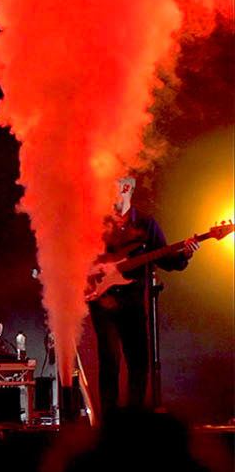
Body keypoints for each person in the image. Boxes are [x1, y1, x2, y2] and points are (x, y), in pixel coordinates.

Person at [88, 176, 198, 414]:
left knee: (138, 363)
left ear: (126, 188)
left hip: (133, 303)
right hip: (102, 301)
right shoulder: (97, 223)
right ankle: (108, 425)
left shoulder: (146, 224)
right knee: (109, 362)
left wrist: (185, 254)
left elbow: (168, 261)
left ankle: (135, 421)